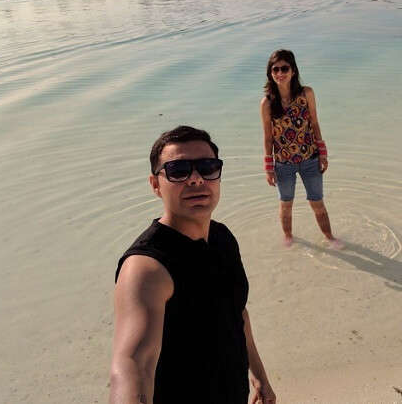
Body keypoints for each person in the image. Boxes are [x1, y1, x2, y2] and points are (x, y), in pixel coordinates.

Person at [109, 125, 275, 404]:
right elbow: (134, 364)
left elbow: (237, 313)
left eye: (208, 167)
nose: (196, 179)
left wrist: (259, 375)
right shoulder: (147, 266)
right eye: (178, 170)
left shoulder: (223, 239)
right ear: (155, 184)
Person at [260, 49, 342, 249]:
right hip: (283, 163)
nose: (280, 73)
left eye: (284, 68)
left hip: (310, 159)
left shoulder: (307, 94)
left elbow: (314, 124)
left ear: (293, 70)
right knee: (286, 204)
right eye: (275, 69)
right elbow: (268, 137)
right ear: (270, 73)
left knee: (317, 203)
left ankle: (330, 237)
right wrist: (269, 167)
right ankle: (288, 237)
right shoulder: (268, 103)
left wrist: (323, 153)